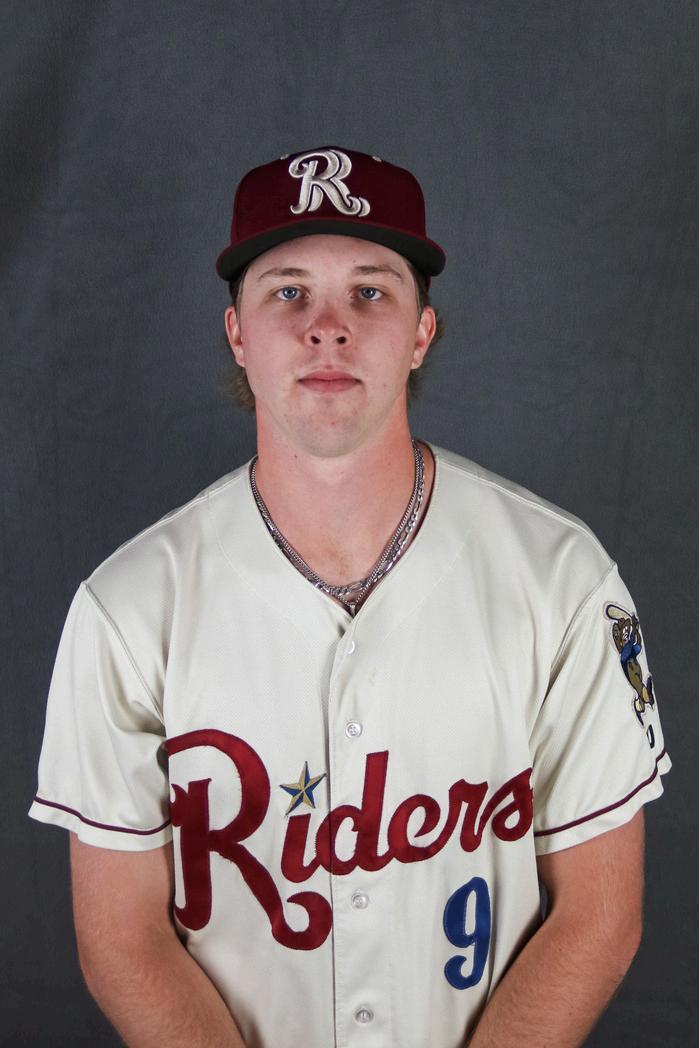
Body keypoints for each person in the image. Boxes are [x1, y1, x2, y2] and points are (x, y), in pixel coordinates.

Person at [29, 146, 671, 1048]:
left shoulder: (560, 575)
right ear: (237, 334)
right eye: (287, 292)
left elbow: (597, 917)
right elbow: (122, 941)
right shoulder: (127, 607)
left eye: (370, 292)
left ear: (421, 333)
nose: (327, 328)